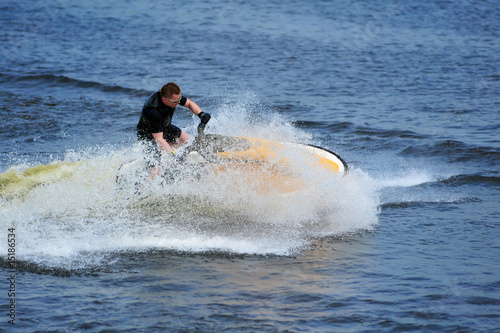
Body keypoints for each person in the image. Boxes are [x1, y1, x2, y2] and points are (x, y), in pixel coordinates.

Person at [137, 82, 211, 179]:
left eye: (179, 99)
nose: (179, 102)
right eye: (176, 101)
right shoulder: (154, 111)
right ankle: (142, 193)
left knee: (186, 140)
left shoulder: (172, 97)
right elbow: (159, 139)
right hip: (148, 135)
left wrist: (201, 114)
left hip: (164, 126)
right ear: (165, 100)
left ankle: (164, 154)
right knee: (156, 171)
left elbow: (189, 103)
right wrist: (173, 154)